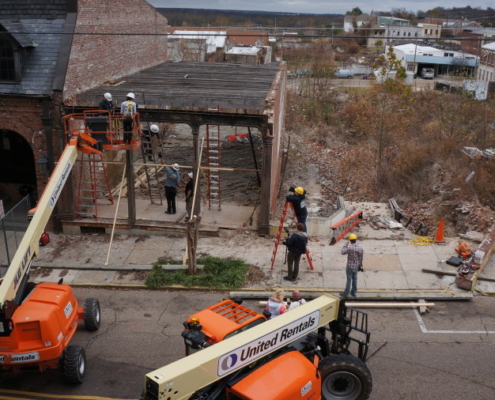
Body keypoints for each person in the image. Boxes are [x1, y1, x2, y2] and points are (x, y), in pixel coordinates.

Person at [341, 233, 364, 298]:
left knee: (349, 280)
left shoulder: (349, 248)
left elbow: (342, 252)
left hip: (349, 266)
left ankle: (346, 293)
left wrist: (346, 244)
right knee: (355, 279)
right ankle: (354, 292)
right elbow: (361, 258)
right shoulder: (360, 248)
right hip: (356, 266)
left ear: (350, 240)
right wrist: (360, 266)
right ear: (355, 240)